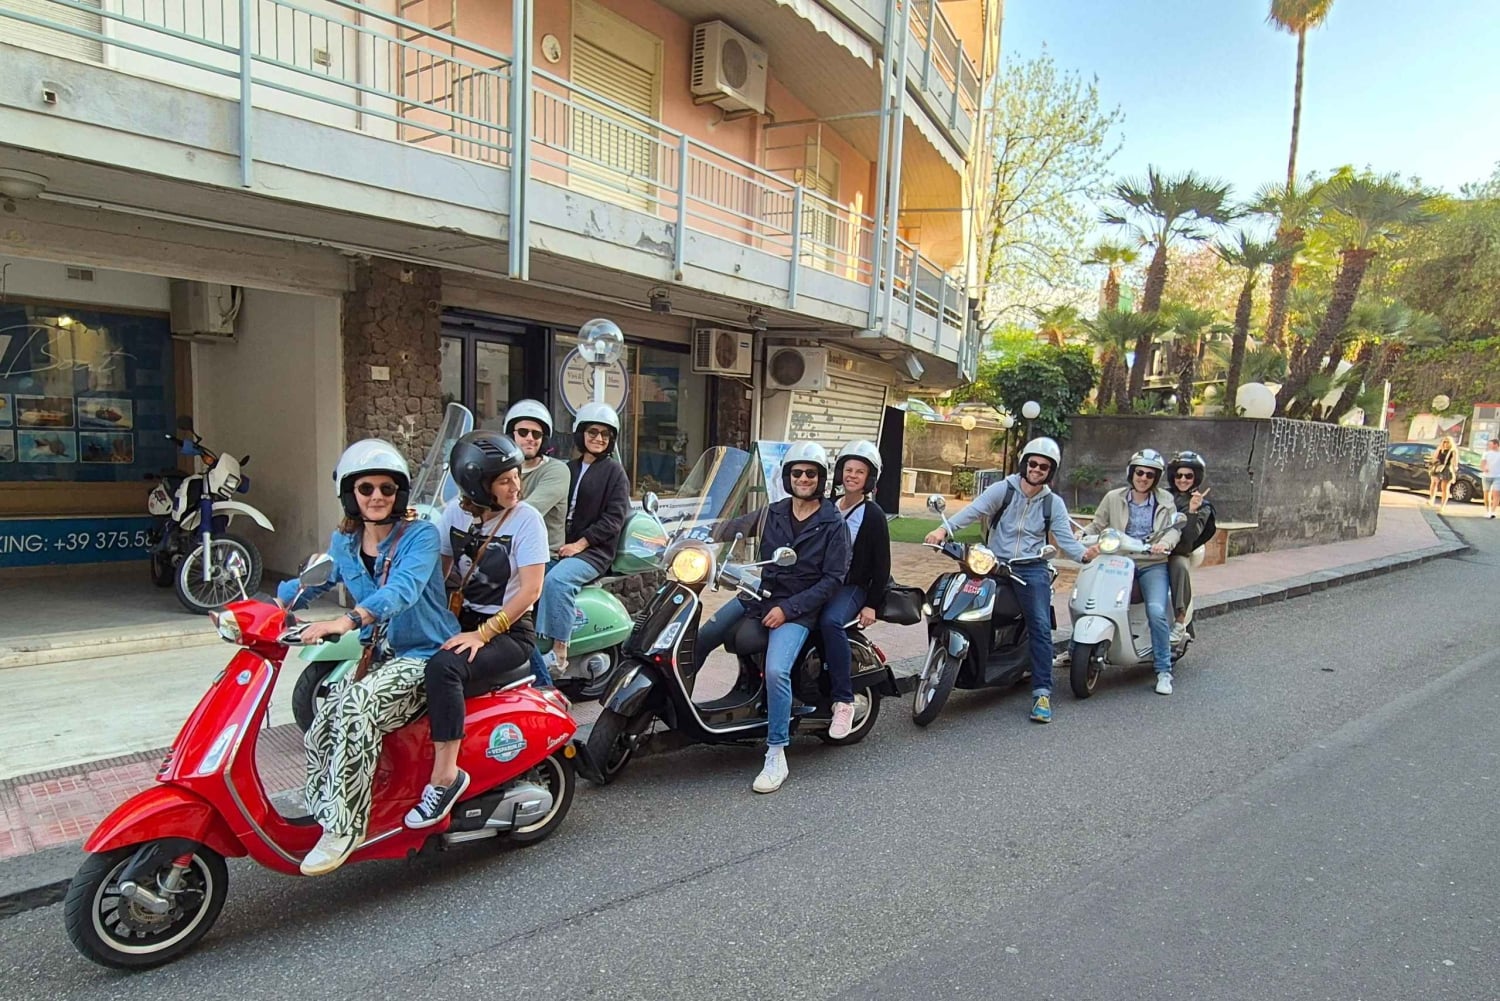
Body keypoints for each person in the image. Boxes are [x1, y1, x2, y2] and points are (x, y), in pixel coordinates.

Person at [279, 439, 458, 876]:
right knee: (326, 714)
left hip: (426, 655)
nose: (377, 496)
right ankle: (324, 808)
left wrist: (347, 621)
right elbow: (310, 583)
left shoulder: (420, 536)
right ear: (350, 494)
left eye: (386, 488)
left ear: (399, 494)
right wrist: (260, 608)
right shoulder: (344, 542)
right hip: (383, 655)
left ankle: (346, 828)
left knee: (359, 709)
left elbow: (401, 591)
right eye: (366, 488)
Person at [406, 431, 549, 829]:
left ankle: (445, 778)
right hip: (461, 621)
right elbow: (439, 574)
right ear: (477, 486)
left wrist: (483, 634)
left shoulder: (527, 520)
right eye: (505, 480)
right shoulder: (453, 513)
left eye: (517, 476)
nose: (516, 486)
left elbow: (532, 590)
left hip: (509, 632)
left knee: (443, 669)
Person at [695, 442, 851, 793]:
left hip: (798, 609)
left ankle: (776, 751)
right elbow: (733, 528)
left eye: (811, 473)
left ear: (821, 478)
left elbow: (832, 580)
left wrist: (789, 610)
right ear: (787, 476)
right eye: (797, 472)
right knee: (705, 634)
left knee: (778, 670)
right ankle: (680, 708)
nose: (804, 478)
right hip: (760, 595)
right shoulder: (773, 513)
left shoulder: (832, 523)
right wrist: (696, 534)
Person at [924, 437, 1087, 724]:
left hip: (1031, 567)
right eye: (1033, 463)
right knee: (962, 601)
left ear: (1051, 471)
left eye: (1044, 466)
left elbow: (1065, 540)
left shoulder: (1053, 503)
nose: (1037, 469)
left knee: (1038, 623)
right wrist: (942, 531)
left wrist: (1086, 555)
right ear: (1024, 464)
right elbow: (974, 510)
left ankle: (1042, 693)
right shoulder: (1004, 489)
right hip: (993, 562)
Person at [536, 401, 632, 679]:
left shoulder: (614, 473)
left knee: (558, 580)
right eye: (592, 432)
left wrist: (580, 544)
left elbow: (614, 519)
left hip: (594, 553)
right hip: (562, 546)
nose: (599, 438)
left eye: (605, 434)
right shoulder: (569, 467)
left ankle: (559, 652)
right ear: (581, 434)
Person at [1082, 448, 1182, 695]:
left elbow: (1173, 529)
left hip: (1151, 563)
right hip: (1117, 561)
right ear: (1131, 472)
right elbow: (1097, 523)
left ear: (1156, 478)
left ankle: (1163, 670)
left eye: (1150, 474)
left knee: (1156, 611)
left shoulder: (1165, 501)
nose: (1144, 478)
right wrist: (1082, 534)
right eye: (1139, 472)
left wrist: (1165, 544)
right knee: (1090, 599)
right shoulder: (1113, 497)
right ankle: (1078, 649)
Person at [823, 441, 892, 739]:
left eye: (859, 471)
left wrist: (871, 604)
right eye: (848, 469)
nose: (852, 475)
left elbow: (882, 565)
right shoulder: (828, 506)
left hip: (852, 586)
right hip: (824, 583)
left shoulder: (873, 514)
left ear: (869, 478)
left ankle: (844, 700)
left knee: (830, 622)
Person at [506, 399, 570, 686]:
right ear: (511, 434)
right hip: (503, 551)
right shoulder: (503, 469)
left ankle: (546, 691)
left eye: (536, 433)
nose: (529, 438)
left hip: (543, 555)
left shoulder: (556, 471)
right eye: (522, 432)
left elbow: (528, 512)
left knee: (513, 617)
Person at [1166, 450, 1217, 643]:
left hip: (1176, 551)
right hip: (1149, 548)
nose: (1183, 479)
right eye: (1179, 475)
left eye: (1188, 476)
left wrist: (1193, 510)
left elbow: (1189, 538)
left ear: (1196, 478)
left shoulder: (1202, 506)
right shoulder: (1161, 496)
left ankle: (1179, 621)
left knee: (1179, 565)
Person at [1428, 436, 1459, 508]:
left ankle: (1442, 505)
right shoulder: (1440, 449)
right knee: (1434, 483)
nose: (1445, 444)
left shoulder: (1453, 451)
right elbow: (1434, 458)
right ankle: (1431, 499)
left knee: (1444, 488)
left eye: (1447, 442)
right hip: (1438, 467)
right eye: (1444, 442)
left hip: (1447, 468)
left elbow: (1455, 463)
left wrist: (1454, 473)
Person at [1482, 438, 1500, 519]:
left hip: (1498, 476)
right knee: (1486, 493)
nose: (1489, 445)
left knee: (1496, 493)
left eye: (1490, 444)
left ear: (1496, 444)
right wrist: (1484, 468)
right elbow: (1482, 463)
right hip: (1487, 476)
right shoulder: (1486, 453)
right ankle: (1487, 510)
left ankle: (1492, 511)